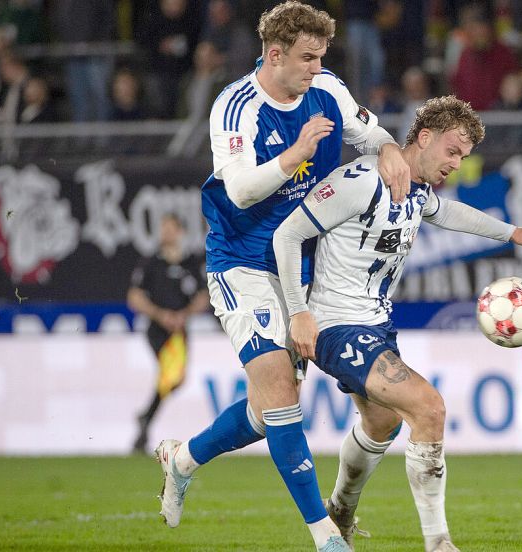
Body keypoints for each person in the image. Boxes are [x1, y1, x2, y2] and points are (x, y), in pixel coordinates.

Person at [153, 2, 409, 551]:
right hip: (241, 261)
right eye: (308, 58)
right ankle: (326, 538)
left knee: (273, 412)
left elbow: (369, 131)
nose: (317, 68)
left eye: (322, 57)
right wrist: (296, 152)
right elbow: (242, 190)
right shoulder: (236, 108)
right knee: (275, 385)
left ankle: (182, 458)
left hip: (301, 264)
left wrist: (387, 147)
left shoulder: (327, 90)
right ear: (274, 55)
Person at [272, 95, 522, 552]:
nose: (456, 163)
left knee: (382, 423)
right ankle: (438, 542)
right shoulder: (362, 180)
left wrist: (512, 233)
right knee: (429, 407)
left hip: (376, 324)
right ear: (423, 138)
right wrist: (299, 312)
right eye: (451, 151)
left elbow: (447, 213)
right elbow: (288, 234)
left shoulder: (417, 189)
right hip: (336, 325)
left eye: (463, 157)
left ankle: (340, 512)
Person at [127, 213, 210, 454]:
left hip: (180, 330)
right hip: (157, 329)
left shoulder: (190, 263)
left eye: (170, 229)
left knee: (175, 378)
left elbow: (203, 297)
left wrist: (183, 314)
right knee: (170, 375)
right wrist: (161, 314)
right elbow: (135, 297)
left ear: (180, 232)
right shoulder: (151, 262)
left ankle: (145, 419)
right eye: (163, 229)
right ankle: (144, 422)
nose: (166, 233)